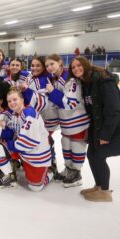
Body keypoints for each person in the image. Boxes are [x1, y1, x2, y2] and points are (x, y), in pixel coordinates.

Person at [69, 56, 120, 202]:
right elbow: (94, 113)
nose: (76, 69)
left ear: (86, 65)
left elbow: (113, 111)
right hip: (102, 128)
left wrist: (105, 135)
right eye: (73, 67)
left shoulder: (104, 81)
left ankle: (105, 192)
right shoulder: (86, 84)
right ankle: (98, 186)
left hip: (119, 130)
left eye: (79, 65)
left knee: (99, 155)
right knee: (92, 153)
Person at [0, 88, 53, 191]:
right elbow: (12, 133)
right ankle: (10, 177)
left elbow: (26, 142)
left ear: (22, 100)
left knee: (35, 187)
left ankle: (51, 172)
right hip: (21, 150)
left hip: (36, 154)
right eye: (9, 101)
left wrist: (10, 144)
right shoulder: (15, 115)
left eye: (15, 99)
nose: (12, 103)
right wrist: (3, 127)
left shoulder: (29, 114)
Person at [45, 54, 90, 186]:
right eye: (47, 65)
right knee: (66, 144)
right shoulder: (55, 79)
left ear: (60, 62)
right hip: (66, 122)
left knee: (76, 146)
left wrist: (52, 92)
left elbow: (71, 103)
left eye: (51, 64)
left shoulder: (70, 79)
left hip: (78, 122)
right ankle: (69, 169)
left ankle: (76, 173)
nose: (49, 67)